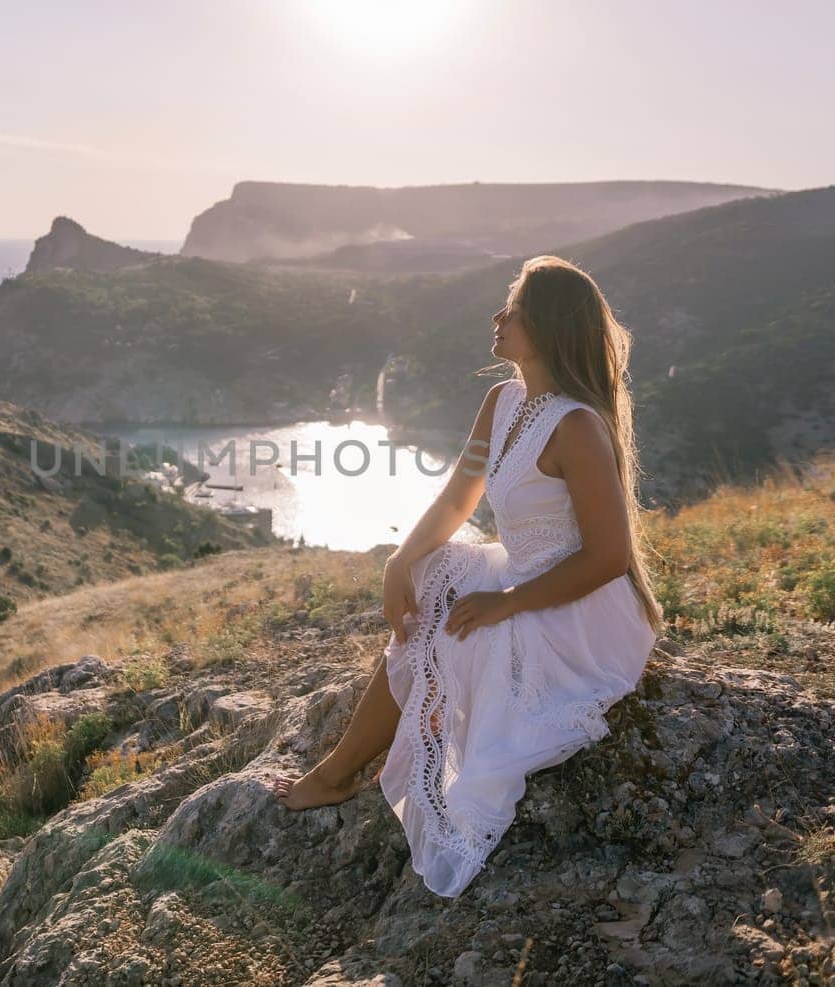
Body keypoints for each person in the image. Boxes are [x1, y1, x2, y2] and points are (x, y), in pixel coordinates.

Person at [268, 255, 665, 898]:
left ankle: (339, 771)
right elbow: (459, 499)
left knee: (456, 630)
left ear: (548, 326)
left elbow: (608, 558)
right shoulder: (502, 400)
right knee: (433, 576)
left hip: (578, 607)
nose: (498, 315)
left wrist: (507, 602)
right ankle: (340, 770)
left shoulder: (577, 426)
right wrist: (400, 561)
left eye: (514, 307)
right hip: (522, 581)